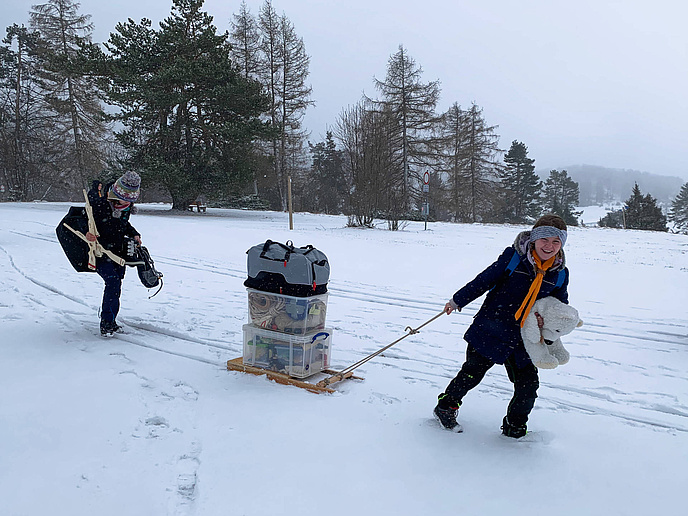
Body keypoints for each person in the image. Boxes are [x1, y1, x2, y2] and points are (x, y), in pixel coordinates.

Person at [434, 214, 570, 438]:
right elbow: (484, 280)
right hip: (492, 328)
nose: (550, 246)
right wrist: (457, 300)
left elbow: (558, 307)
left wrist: (549, 325)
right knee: (472, 373)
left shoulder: (559, 274)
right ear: (534, 239)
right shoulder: (513, 258)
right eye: (545, 239)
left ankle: (515, 425)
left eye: (556, 241)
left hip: (525, 338)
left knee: (528, 386)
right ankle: (446, 407)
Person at [85, 172, 142, 336]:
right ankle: (107, 323)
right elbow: (85, 220)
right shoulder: (101, 204)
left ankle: (111, 320)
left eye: (131, 201)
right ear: (116, 194)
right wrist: (87, 233)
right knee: (112, 281)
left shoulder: (126, 207)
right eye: (125, 199)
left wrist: (134, 233)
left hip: (117, 251)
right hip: (100, 251)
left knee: (116, 285)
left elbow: (123, 224)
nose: (127, 203)